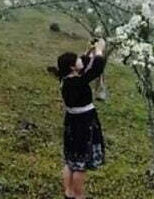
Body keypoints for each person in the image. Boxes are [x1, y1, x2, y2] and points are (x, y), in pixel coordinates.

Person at [51, 38, 107, 199]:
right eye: (77, 60)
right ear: (72, 67)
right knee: (80, 166)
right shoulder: (78, 81)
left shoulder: (66, 79)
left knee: (71, 161)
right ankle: (79, 195)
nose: (80, 60)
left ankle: (69, 193)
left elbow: (83, 64)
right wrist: (99, 51)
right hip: (84, 123)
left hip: (72, 122)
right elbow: (96, 69)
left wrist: (88, 51)